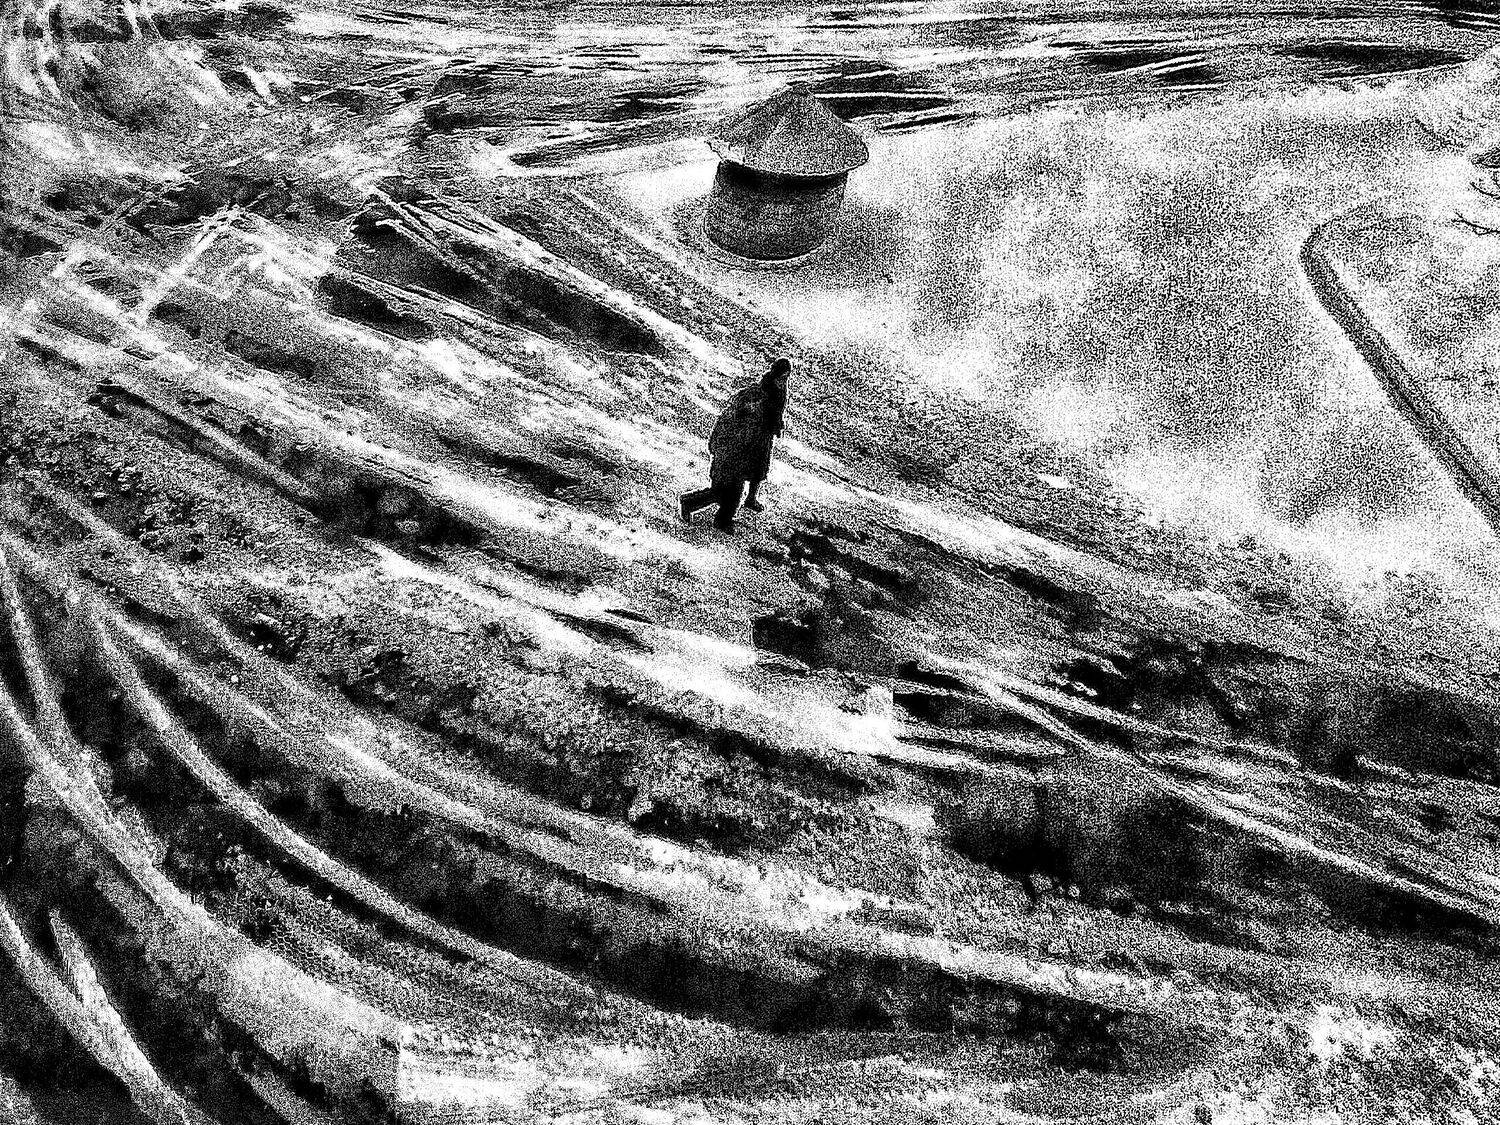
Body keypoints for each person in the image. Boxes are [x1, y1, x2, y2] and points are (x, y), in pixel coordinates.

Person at [679, 357, 790, 534]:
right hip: (732, 454)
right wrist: (724, 450)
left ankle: (718, 518)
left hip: (741, 452)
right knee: (725, 492)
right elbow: (731, 431)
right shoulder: (751, 403)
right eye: (782, 378)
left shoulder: (770, 398)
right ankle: (694, 505)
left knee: (730, 492)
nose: (783, 382)